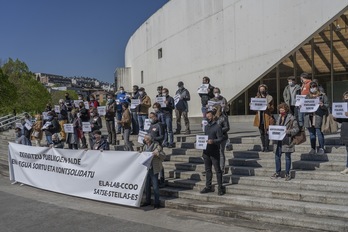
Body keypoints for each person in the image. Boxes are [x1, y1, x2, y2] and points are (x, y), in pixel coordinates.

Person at [271, 103, 299, 181]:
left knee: (287, 157)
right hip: (278, 140)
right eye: (280, 109)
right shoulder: (278, 117)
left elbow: (296, 129)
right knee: (277, 156)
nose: (281, 110)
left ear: (286, 109)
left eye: (282, 109)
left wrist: (288, 131)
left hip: (287, 140)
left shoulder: (292, 118)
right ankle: (278, 172)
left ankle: (287, 173)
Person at [200, 110, 225, 196]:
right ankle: (208, 186)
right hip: (206, 151)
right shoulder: (206, 127)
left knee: (217, 170)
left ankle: (220, 187)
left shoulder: (218, 127)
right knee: (207, 170)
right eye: (207, 117)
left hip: (214, 151)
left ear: (213, 116)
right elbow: (204, 137)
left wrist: (213, 141)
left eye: (209, 116)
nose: (208, 118)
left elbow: (221, 138)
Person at [304, 81, 329, 155]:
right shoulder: (308, 96)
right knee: (312, 134)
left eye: (314, 86)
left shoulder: (322, 95)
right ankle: (313, 148)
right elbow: (304, 104)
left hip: (318, 116)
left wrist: (322, 105)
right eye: (311, 87)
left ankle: (321, 148)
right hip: (309, 117)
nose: (313, 88)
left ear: (317, 87)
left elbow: (327, 105)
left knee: (319, 133)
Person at [141, 134, 165, 209]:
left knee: (155, 186)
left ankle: (156, 203)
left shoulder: (157, 146)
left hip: (154, 168)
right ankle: (148, 201)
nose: (145, 140)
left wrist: (157, 153)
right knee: (147, 186)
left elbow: (163, 156)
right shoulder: (144, 147)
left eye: (146, 139)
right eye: (144, 139)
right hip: (146, 168)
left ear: (149, 140)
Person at [253, 84, 275, 152]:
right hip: (260, 117)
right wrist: (252, 105)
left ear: (265, 89)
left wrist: (268, 106)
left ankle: (267, 147)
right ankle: (263, 146)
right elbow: (254, 109)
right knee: (261, 133)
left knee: (267, 133)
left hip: (267, 116)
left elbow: (272, 108)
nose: (262, 90)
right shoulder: (256, 98)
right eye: (261, 89)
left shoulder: (269, 97)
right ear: (259, 90)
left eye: (263, 89)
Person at [334, 91, 348, 174]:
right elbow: (342, 120)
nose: (346, 98)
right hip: (345, 131)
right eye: (345, 97)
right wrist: (336, 118)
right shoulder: (343, 106)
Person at [213, 105, 230, 173]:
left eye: (215, 109)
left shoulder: (223, 117)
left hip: (222, 137)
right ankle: (217, 167)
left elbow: (227, 127)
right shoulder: (213, 118)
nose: (213, 111)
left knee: (221, 152)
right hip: (215, 137)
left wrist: (218, 131)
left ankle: (221, 168)